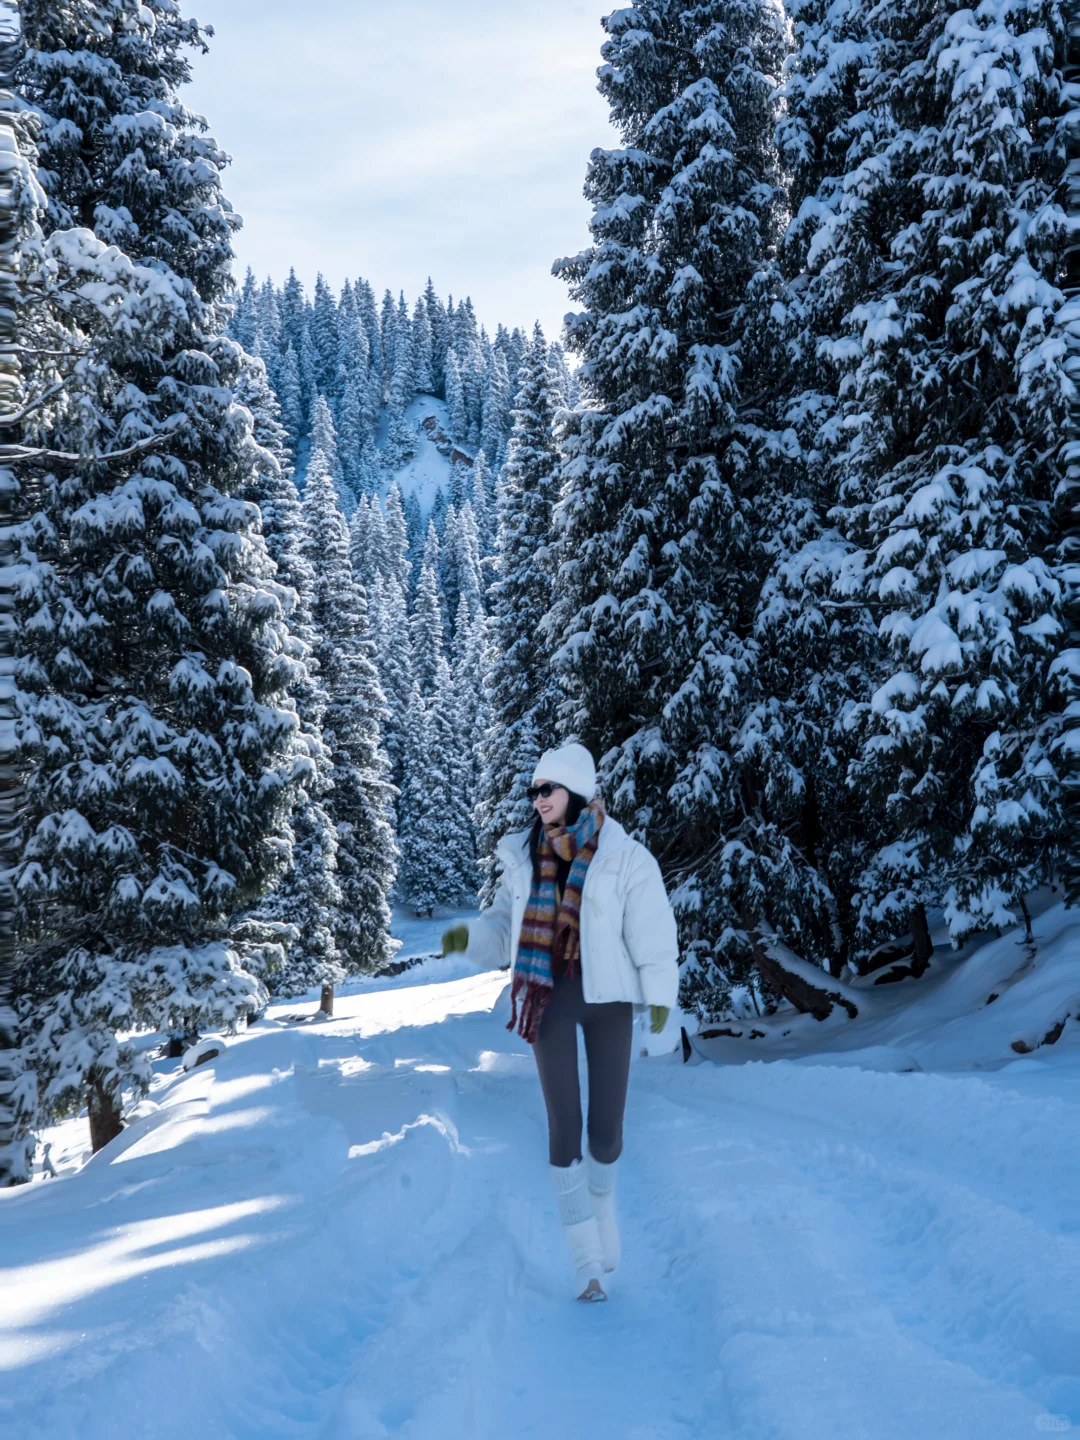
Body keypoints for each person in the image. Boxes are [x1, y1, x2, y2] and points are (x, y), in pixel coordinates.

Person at [442, 742, 679, 1302]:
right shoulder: (523, 858)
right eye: (533, 790)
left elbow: (653, 936)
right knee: (564, 1125)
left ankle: (602, 1208)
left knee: (607, 1130)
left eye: (546, 788)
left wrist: (661, 1004)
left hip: (608, 1000)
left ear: (574, 790)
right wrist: (469, 938)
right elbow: (504, 928)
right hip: (546, 998)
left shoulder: (624, 856)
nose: (538, 798)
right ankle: (586, 1263)